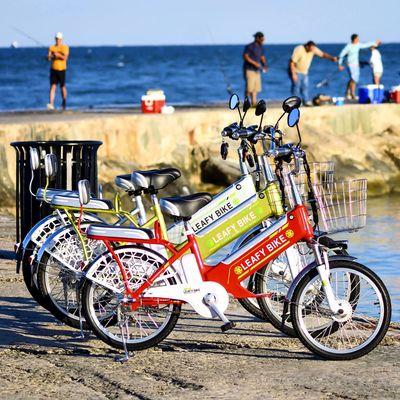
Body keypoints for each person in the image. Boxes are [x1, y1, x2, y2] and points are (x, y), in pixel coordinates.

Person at [289, 41, 337, 106]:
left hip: (305, 72)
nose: (312, 50)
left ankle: (305, 101)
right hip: (296, 71)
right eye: (311, 49)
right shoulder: (299, 49)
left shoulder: (313, 49)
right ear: (307, 46)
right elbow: (292, 62)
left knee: (305, 87)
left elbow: (323, 54)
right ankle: (294, 103)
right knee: (296, 87)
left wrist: (332, 58)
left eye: (313, 49)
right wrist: (293, 74)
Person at [338, 34, 380, 99]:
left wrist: (374, 42)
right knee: (353, 79)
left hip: (356, 65)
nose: (358, 40)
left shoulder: (358, 45)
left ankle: (348, 92)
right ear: (354, 39)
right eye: (357, 39)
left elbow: (366, 45)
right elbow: (341, 54)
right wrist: (340, 64)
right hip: (350, 65)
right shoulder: (348, 46)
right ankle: (352, 94)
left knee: (354, 79)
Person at [243, 32, 268, 105]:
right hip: (249, 69)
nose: (263, 40)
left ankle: (254, 103)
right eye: (262, 39)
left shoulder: (261, 47)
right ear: (257, 38)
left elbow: (262, 57)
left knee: (255, 88)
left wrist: (265, 65)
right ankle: (246, 103)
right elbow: (245, 57)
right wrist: (255, 63)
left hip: (257, 70)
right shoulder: (249, 46)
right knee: (249, 88)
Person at [47, 32, 69, 110]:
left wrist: (58, 55)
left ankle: (64, 102)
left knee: (62, 86)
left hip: (62, 69)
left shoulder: (65, 47)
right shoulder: (51, 47)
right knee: (53, 86)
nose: (57, 40)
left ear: (61, 39)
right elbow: (49, 58)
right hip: (53, 69)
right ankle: (51, 103)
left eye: (59, 39)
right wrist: (52, 56)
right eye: (56, 39)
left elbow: (65, 58)